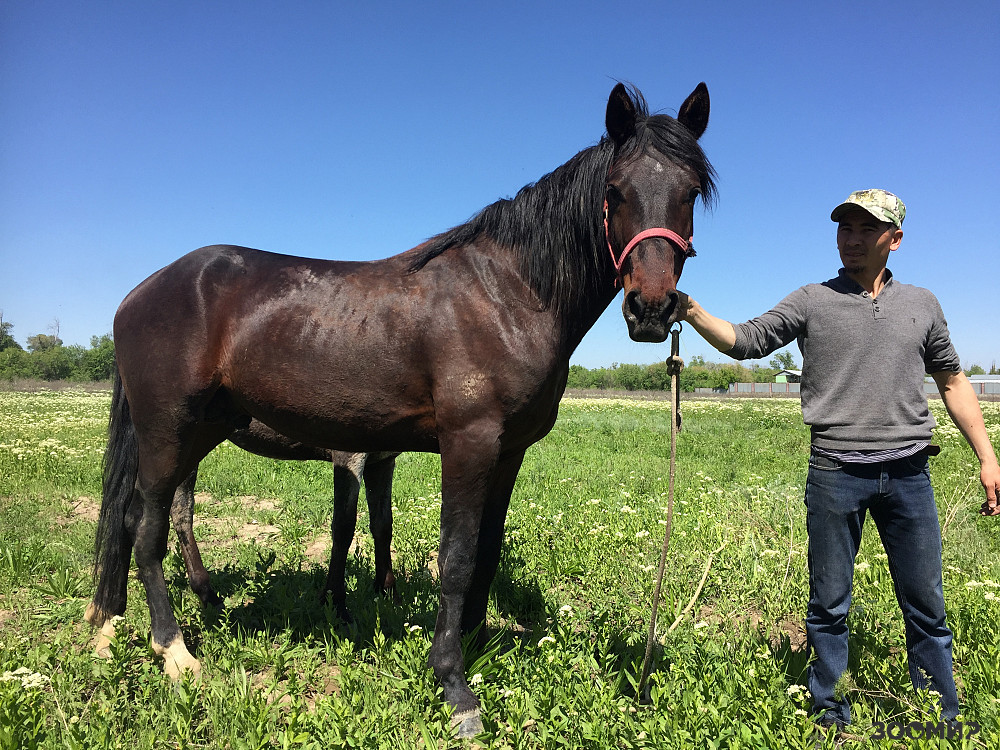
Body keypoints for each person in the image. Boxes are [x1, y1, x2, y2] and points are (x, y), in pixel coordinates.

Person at [679, 189, 1000, 729]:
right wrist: (688, 309)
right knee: (828, 604)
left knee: (925, 602)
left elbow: (952, 380)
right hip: (835, 473)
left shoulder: (922, 304)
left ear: (894, 240)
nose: (850, 239)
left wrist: (988, 458)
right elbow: (745, 341)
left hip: (909, 474)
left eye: (865, 230)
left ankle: (939, 713)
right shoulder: (812, 299)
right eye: (843, 228)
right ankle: (829, 710)